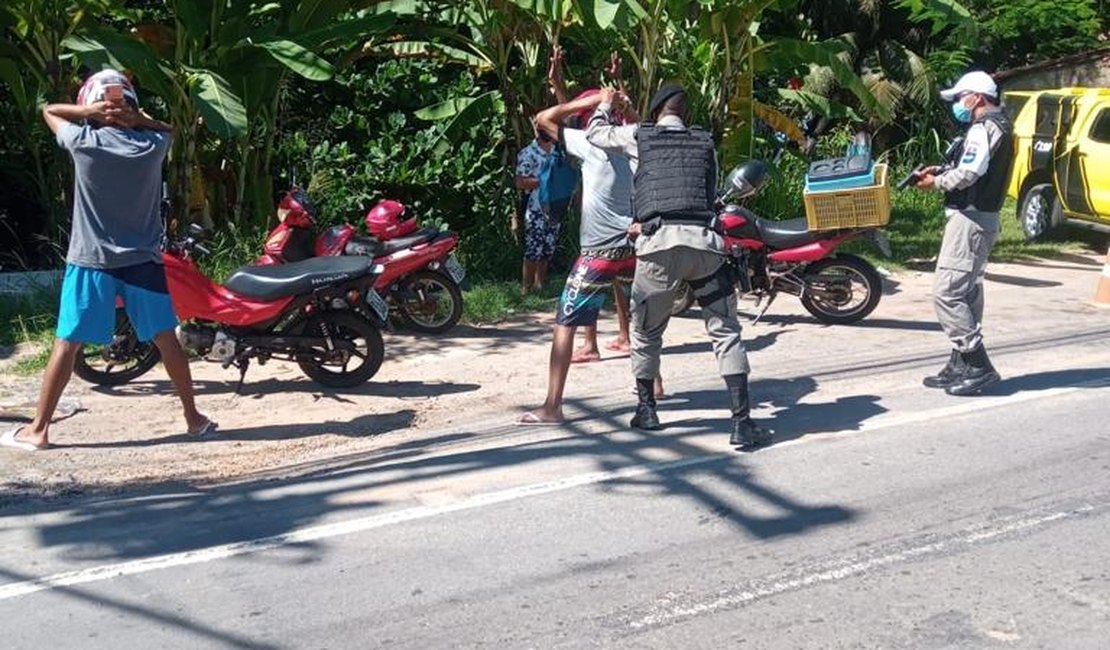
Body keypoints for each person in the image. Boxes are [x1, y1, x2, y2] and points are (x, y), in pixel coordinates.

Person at [0, 69, 214, 452]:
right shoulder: (151, 145)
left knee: (67, 345)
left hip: (91, 261)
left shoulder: (84, 141)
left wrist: (90, 113)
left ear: (93, 102)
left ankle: (39, 431)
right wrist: (140, 119)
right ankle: (193, 419)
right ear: (132, 105)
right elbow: (171, 129)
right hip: (143, 261)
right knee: (166, 339)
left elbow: (50, 110)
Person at [586, 83, 771, 450]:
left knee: (646, 332)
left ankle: (647, 410)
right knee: (725, 331)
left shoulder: (639, 136)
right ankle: (741, 423)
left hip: (658, 248)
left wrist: (605, 105)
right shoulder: (704, 143)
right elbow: (709, 194)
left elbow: (595, 134)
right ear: (685, 114)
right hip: (705, 248)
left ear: (655, 112)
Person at [517, 88, 664, 425]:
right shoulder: (635, 142)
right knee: (643, 320)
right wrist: (625, 107)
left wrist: (596, 99)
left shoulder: (589, 143)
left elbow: (542, 118)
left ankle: (553, 406)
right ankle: (655, 384)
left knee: (565, 319)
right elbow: (644, 128)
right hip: (634, 247)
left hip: (599, 251)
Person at [913, 71, 1014, 396]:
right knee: (968, 291)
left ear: (978, 97)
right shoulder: (997, 125)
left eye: (961, 97)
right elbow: (974, 168)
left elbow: (970, 172)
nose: (958, 103)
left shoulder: (984, 128)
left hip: (970, 221)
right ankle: (959, 363)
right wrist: (941, 170)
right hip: (979, 217)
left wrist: (936, 183)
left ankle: (977, 364)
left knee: (948, 293)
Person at [513, 131, 558, 296]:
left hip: (554, 207)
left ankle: (540, 286)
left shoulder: (558, 152)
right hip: (536, 208)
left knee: (548, 248)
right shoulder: (528, 153)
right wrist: (544, 180)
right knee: (534, 248)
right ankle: (526, 288)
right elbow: (520, 182)